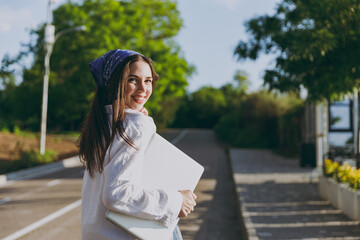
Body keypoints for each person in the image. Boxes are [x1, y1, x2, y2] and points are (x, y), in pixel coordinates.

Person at [78, 49, 197, 240]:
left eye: (148, 80)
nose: (143, 89)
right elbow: (116, 194)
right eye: (133, 80)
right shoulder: (135, 125)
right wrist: (175, 201)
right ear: (114, 84)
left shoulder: (101, 124)